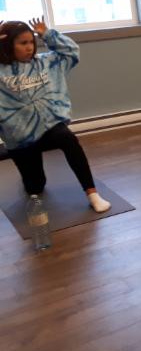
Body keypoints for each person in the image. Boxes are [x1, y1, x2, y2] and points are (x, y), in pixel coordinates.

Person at [0, 18, 111, 212]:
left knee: (68, 138)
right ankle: (29, 178)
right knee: (35, 186)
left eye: (31, 42)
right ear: (9, 45)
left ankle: (92, 193)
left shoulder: (46, 63)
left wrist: (48, 34)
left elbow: (71, 51)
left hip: (49, 126)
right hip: (20, 138)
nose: (29, 47)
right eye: (23, 43)